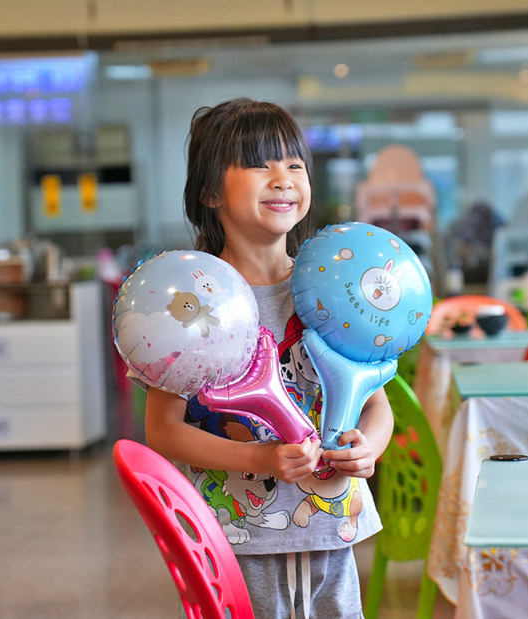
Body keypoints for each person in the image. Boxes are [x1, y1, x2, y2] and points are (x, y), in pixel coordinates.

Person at [144, 97, 394, 618]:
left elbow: (377, 405)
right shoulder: (193, 302)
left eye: (295, 165)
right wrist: (259, 459)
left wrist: (367, 449)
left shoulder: (335, 291)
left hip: (332, 526)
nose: (283, 179)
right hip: (238, 537)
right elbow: (163, 430)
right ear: (211, 192)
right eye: (260, 164)